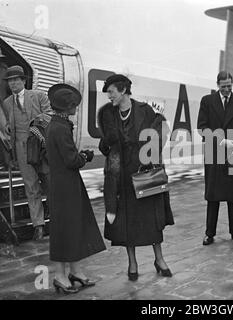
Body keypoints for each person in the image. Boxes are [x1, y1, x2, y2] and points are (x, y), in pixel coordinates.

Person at [98, 74, 174, 281]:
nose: (109, 96)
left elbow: (159, 132)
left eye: (111, 92)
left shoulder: (145, 110)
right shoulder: (107, 114)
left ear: (122, 90)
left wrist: (149, 155)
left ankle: (159, 259)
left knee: (151, 217)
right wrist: (107, 142)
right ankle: (132, 263)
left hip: (144, 170)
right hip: (120, 175)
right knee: (126, 221)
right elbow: (105, 144)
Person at [46, 83, 106, 294]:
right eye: (74, 105)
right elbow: (71, 160)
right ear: (67, 107)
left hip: (65, 184)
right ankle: (60, 276)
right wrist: (85, 157)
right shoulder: (60, 128)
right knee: (65, 229)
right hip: (65, 186)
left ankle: (75, 271)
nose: (76, 108)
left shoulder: (57, 124)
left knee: (72, 227)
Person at [197, 71, 233, 246]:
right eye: (223, 86)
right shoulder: (207, 101)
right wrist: (221, 141)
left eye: (229, 86)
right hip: (215, 152)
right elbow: (202, 128)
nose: (227, 89)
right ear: (217, 85)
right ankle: (209, 233)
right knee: (213, 195)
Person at [3, 65, 51, 240]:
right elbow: (10, 124)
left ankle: (57, 220)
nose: (13, 83)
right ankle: (38, 225)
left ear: (24, 81)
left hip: (40, 146)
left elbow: (50, 114)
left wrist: (36, 123)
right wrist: (9, 126)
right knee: (31, 187)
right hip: (21, 149)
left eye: (16, 79)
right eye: (10, 81)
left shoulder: (38, 96)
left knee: (49, 183)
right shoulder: (7, 103)